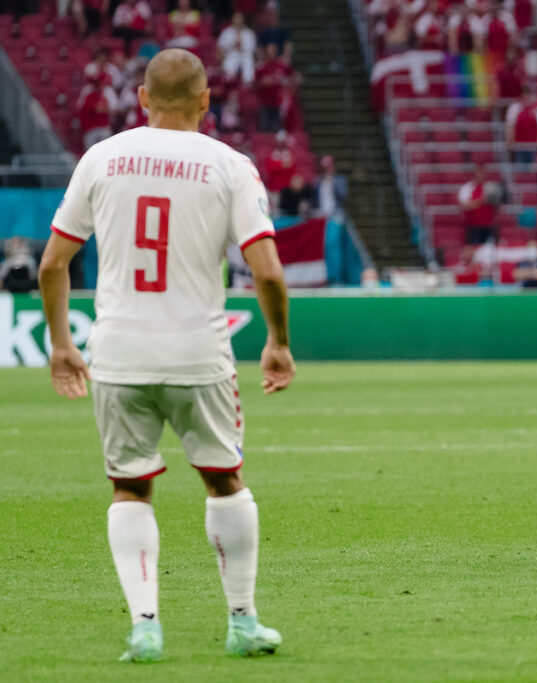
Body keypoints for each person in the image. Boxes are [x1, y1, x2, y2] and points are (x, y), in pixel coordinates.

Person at [37, 48, 293, 662]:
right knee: (224, 479)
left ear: (142, 99)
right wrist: (278, 342)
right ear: (207, 101)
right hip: (198, 353)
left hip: (119, 354)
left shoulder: (101, 158)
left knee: (129, 489)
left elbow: (52, 264)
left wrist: (62, 345)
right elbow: (269, 273)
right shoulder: (230, 166)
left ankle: (145, 627)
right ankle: (242, 622)